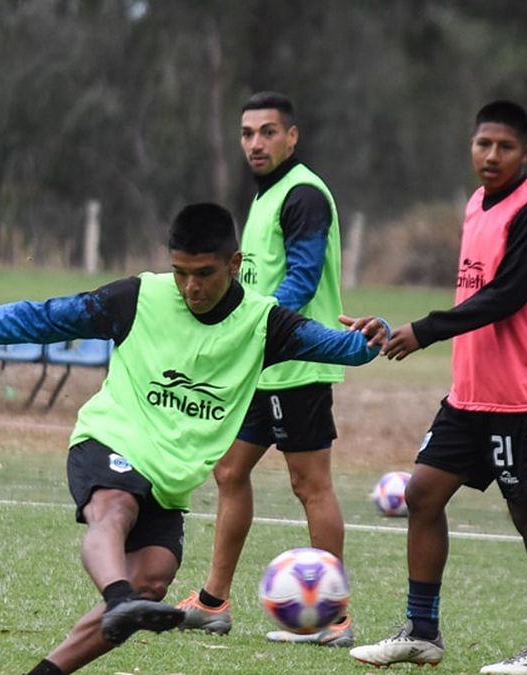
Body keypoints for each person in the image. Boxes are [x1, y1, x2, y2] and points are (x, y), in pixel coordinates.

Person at [0, 203, 389, 675]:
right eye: (180, 272)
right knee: (115, 511)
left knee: (152, 577)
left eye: (204, 274)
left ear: (234, 263)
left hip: (169, 479)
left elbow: (345, 348)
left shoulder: (263, 324)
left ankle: (65, 653)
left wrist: (375, 334)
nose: (190, 287)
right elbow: (40, 318)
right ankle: (119, 597)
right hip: (111, 439)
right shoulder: (136, 298)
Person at [349, 101, 527, 674]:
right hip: (471, 394)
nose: (491, 155)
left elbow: (505, 296)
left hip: (523, 398)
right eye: (483, 144)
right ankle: (421, 631)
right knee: (421, 494)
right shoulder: (477, 204)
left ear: (525, 153)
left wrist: (422, 331)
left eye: (504, 147)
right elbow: (475, 296)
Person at [176, 92, 354, 647]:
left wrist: (256, 330)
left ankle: (333, 617)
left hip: (295, 364)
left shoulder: (302, 194)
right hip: (260, 364)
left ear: (292, 137)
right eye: (248, 133)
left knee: (309, 484)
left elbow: (299, 280)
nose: (256, 142)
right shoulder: (267, 196)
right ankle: (212, 603)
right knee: (229, 470)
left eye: (268, 132)